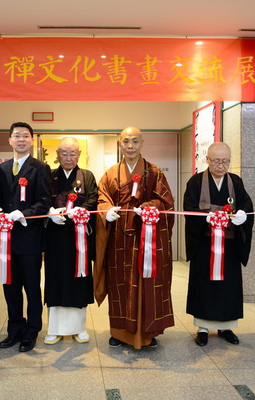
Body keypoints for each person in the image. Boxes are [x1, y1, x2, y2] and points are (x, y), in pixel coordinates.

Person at [95, 126, 175, 349]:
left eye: (135, 142)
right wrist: (106, 210)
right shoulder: (111, 173)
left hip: (146, 239)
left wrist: (150, 207)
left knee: (146, 283)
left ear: (142, 143)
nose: (130, 146)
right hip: (119, 240)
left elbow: (167, 202)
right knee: (119, 285)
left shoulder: (155, 172)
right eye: (126, 141)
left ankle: (147, 333)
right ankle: (119, 332)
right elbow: (101, 199)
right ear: (120, 144)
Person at [183, 142, 254, 346]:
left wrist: (242, 215)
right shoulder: (196, 182)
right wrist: (205, 218)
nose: (221, 166)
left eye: (225, 161)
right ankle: (203, 328)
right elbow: (188, 208)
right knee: (203, 285)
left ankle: (226, 327)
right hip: (204, 244)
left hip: (229, 245)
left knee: (228, 286)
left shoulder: (236, 182)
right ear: (207, 159)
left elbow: (246, 205)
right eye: (216, 161)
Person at [0, 122, 51, 352]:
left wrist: (22, 214)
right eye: (17, 136)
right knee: (10, 286)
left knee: (32, 287)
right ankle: (14, 329)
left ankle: (32, 330)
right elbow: (1, 197)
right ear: (10, 140)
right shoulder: (4, 168)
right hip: (6, 240)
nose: (21, 139)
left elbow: (44, 202)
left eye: (26, 136)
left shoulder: (40, 167)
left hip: (30, 238)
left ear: (32, 140)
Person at [44, 137, 97, 345]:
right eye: (64, 153)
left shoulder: (88, 176)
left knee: (79, 279)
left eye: (72, 153)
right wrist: (49, 211)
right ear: (57, 154)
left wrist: (83, 211)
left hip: (79, 238)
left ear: (79, 154)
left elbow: (94, 198)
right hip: (56, 237)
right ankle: (55, 329)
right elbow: (42, 198)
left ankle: (78, 328)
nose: (68, 157)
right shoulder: (49, 175)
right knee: (55, 278)